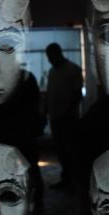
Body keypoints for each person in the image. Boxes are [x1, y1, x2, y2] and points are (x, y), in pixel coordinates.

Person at [44, 43, 83, 189]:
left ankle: (72, 179)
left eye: (50, 57)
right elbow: (49, 94)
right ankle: (67, 179)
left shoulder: (73, 70)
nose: (49, 60)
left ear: (57, 54)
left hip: (68, 118)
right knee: (61, 150)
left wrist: (68, 111)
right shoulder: (52, 71)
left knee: (69, 150)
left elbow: (77, 95)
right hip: (56, 117)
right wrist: (46, 112)